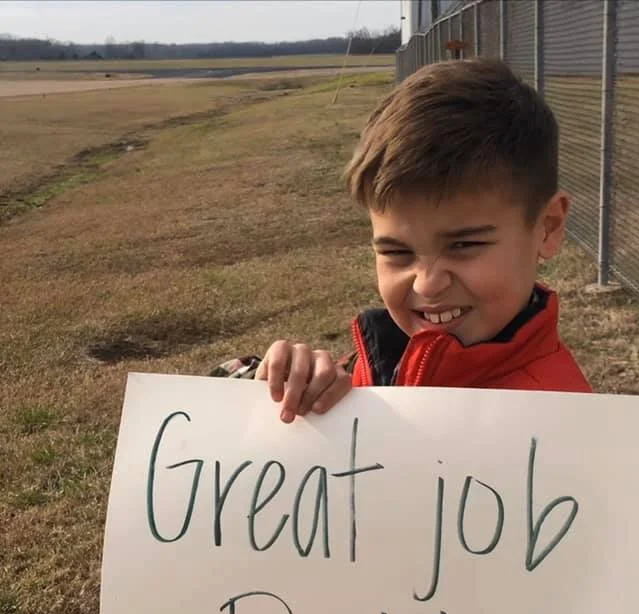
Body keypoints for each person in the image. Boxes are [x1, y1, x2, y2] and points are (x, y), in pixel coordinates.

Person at [210, 58, 591, 416]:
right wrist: (290, 385)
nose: (427, 284)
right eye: (397, 252)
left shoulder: (562, 424)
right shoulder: (383, 356)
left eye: (464, 245)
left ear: (548, 227)